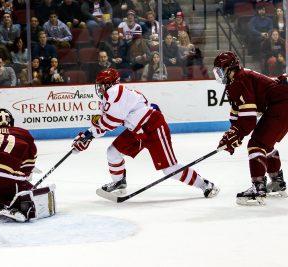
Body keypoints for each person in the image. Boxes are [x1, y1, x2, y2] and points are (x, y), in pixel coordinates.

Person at [71, 68, 219, 198]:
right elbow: (104, 123)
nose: (100, 88)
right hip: (136, 131)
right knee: (113, 152)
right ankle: (119, 182)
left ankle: (205, 185)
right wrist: (86, 137)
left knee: (169, 169)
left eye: (103, 85)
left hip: (153, 127)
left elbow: (112, 121)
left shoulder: (116, 91)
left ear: (110, 84)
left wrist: (90, 135)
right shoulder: (107, 99)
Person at [213, 51, 288, 206]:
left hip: (281, 105)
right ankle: (277, 181)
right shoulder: (236, 81)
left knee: (256, 145)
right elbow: (236, 112)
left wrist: (236, 135)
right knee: (265, 143)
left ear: (229, 68)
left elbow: (248, 118)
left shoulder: (239, 80)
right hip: (281, 104)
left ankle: (258, 188)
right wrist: (230, 134)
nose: (219, 74)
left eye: (221, 70)